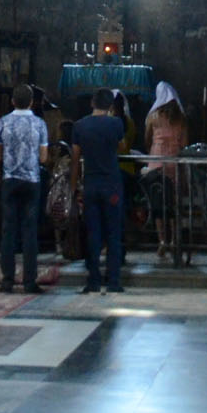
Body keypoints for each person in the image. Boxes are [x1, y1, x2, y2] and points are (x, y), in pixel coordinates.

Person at [0, 81, 49, 293]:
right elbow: (44, 158)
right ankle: (29, 281)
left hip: (9, 179)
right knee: (29, 232)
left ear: (12, 101)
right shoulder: (39, 124)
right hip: (31, 181)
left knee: (8, 231)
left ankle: (7, 280)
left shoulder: (3, 122)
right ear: (32, 103)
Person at [72, 86, 126, 294]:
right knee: (113, 233)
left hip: (91, 184)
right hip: (111, 183)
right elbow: (121, 147)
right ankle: (113, 280)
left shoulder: (80, 126)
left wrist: (73, 185)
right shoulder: (115, 124)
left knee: (93, 233)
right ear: (110, 106)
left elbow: (75, 159)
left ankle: (93, 279)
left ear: (92, 103)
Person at [143, 80, 187, 257]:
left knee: (158, 203)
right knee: (174, 203)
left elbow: (147, 139)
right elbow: (184, 143)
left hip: (156, 163)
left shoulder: (153, 116)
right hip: (174, 163)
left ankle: (162, 240)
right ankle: (175, 240)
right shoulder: (181, 118)